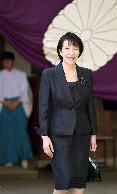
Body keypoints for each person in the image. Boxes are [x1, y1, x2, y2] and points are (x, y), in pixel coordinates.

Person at [36, 32, 98, 194]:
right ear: (60, 51)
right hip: (59, 135)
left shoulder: (87, 74)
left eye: (75, 48)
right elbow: (43, 107)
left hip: (82, 134)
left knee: (79, 182)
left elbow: (90, 105)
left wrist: (93, 133)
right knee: (62, 182)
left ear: (79, 51)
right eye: (67, 48)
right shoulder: (49, 74)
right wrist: (44, 136)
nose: (71, 52)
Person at [0, 52, 33, 168]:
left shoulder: (21, 75)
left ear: (13, 62)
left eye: (8, 61)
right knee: (6, 133)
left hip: (19, 105)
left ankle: (24, 158)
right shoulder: (0, 75)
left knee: (21, 132)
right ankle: (8, 159)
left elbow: (26, 92)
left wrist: (17, 102)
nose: (6, 63)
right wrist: (5, 102)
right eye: (4, 61)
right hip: (4, 105)